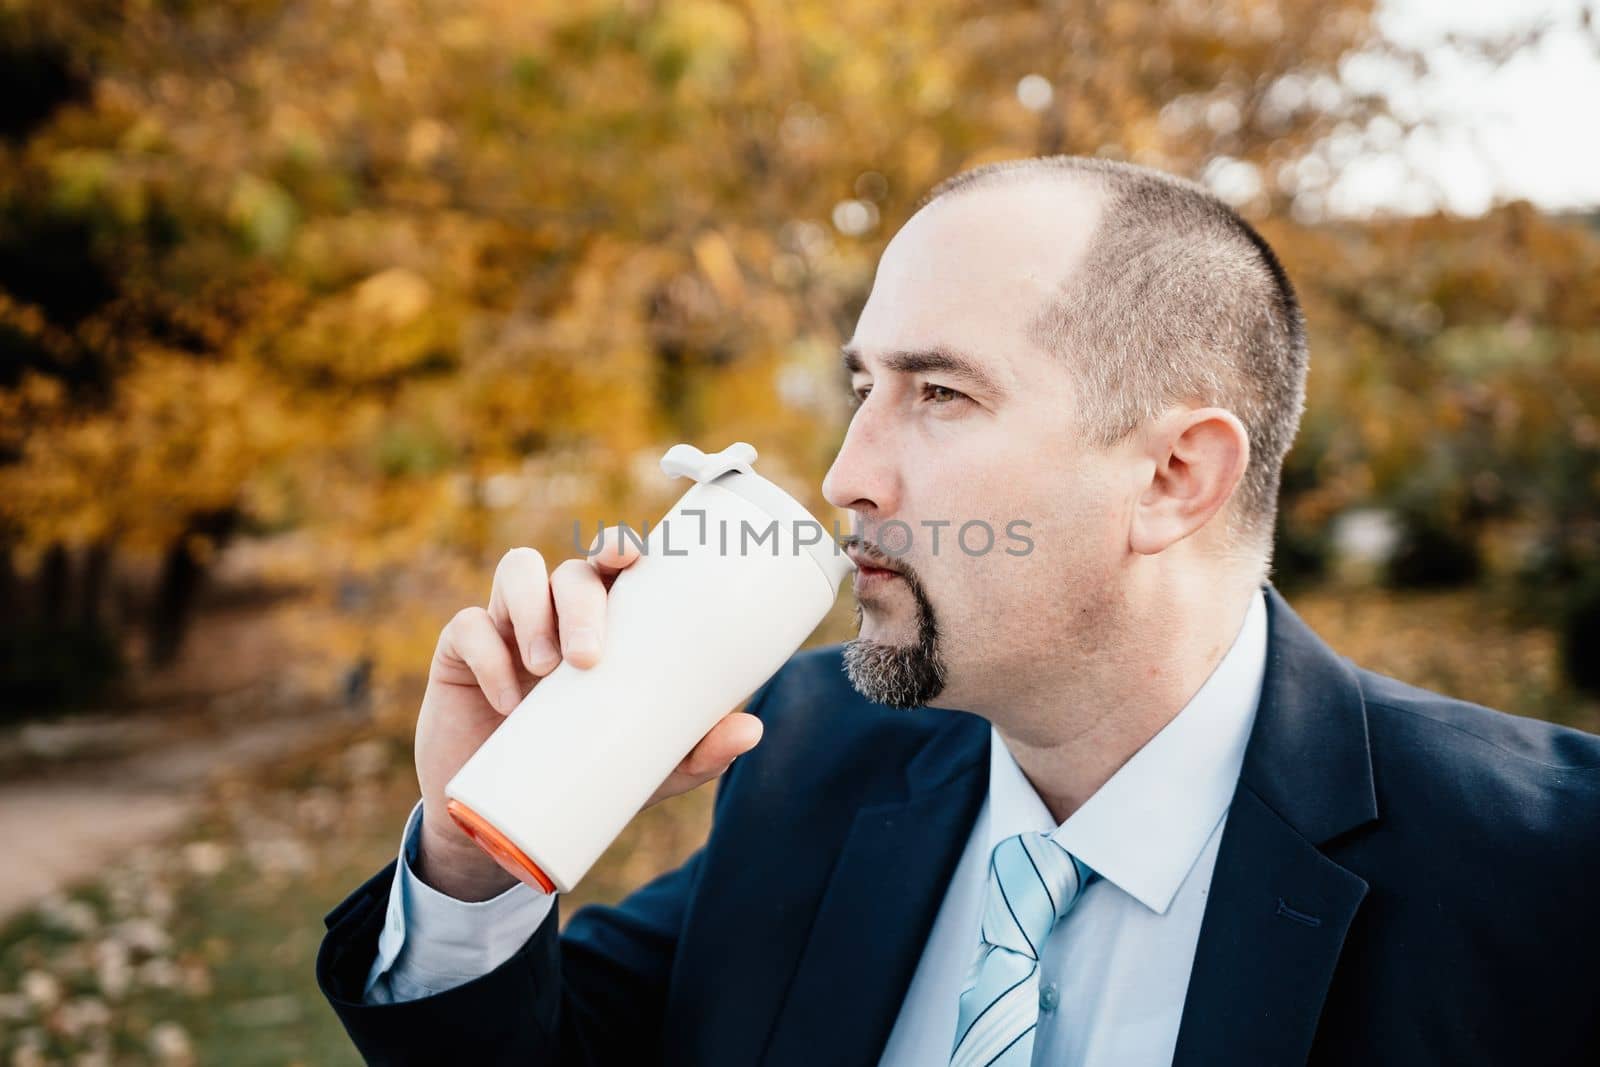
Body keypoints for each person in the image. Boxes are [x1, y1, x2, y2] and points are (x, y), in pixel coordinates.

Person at [316, 156, 1600, 1066]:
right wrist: (477, 858)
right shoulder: (811, 751)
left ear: (1172, 475)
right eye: (863, 384)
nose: (845, 473)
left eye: (938, 394)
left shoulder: (1548, 873)